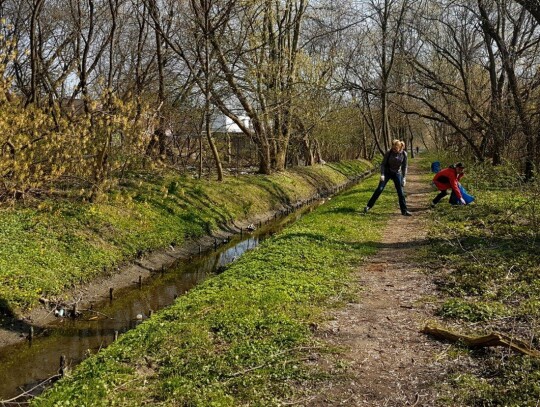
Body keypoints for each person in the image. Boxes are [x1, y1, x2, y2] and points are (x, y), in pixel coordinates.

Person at [364, 139, 412, 216]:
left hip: (397, 173)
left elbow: (405, 166)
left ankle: (404, 211)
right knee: (380, 189)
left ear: (399, 148)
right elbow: (383, 164)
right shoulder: (388, 153)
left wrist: (404, 178)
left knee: (401, 192)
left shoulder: (404, 154)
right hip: (387, 172)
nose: (393, 150)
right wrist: (382, 174)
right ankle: (368, 206)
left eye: (395, 149)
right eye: (393, 148)